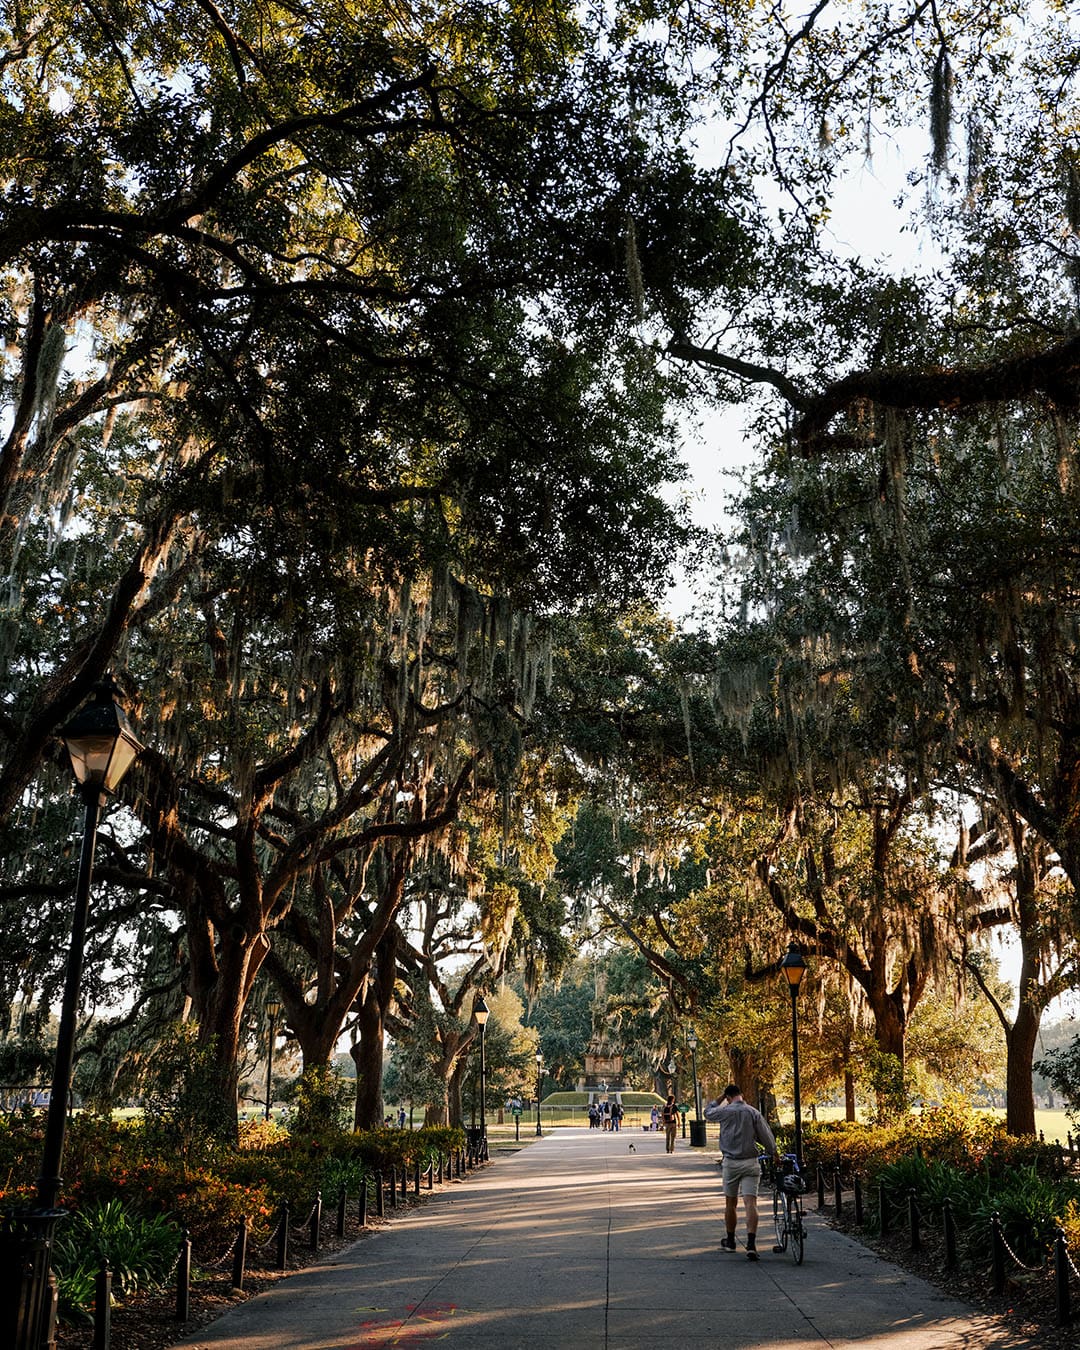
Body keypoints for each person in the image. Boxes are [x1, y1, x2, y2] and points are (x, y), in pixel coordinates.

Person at [715, 1084, 777, 1261]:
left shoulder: (724, 1111)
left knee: (731, 1203)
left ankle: (731, 1241)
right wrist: (773, 1152)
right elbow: (766, 1136)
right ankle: (751, 1244)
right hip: (750, 1162)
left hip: (731, 1163)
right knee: (751, 1203)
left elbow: (707, 1112)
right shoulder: (753, 1112)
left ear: (727, 1097)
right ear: (741, 1095)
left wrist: (719, 1098)